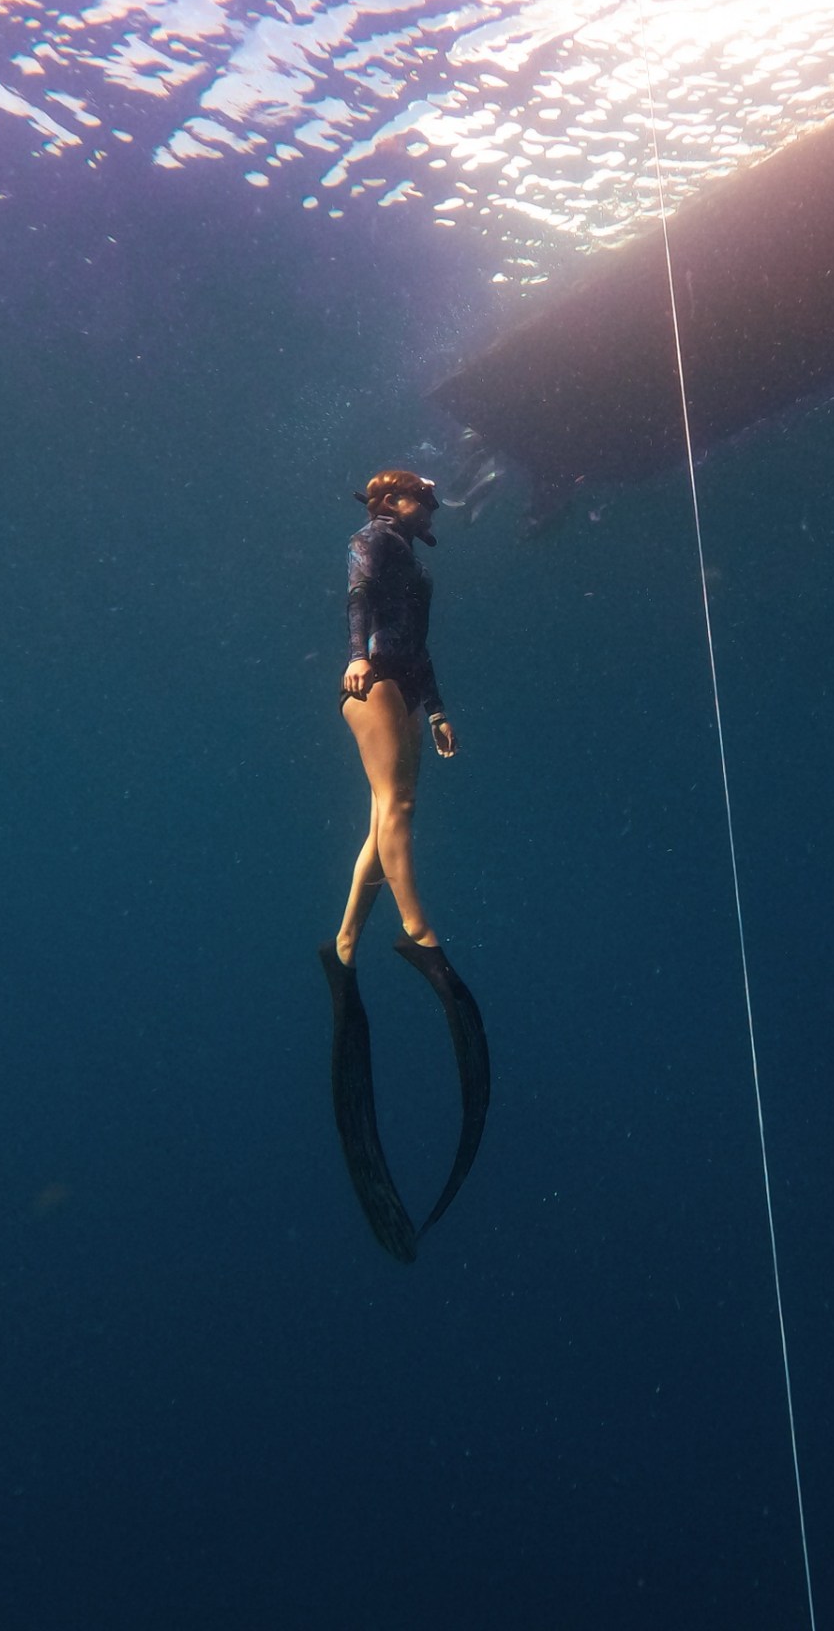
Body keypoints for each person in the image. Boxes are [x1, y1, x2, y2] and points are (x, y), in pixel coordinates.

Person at [319, 470, 490, 1261]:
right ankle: (415, 932)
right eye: (420, 499)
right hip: (373, 683)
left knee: (382, 817)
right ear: (393, 502)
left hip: (404, 682)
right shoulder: (374, 541)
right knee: (399, 808)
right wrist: (354, 658)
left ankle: (348, 940)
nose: (431, 509)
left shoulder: (411, 558)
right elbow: (360, 603)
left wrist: (444, 707)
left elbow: (418, 642)